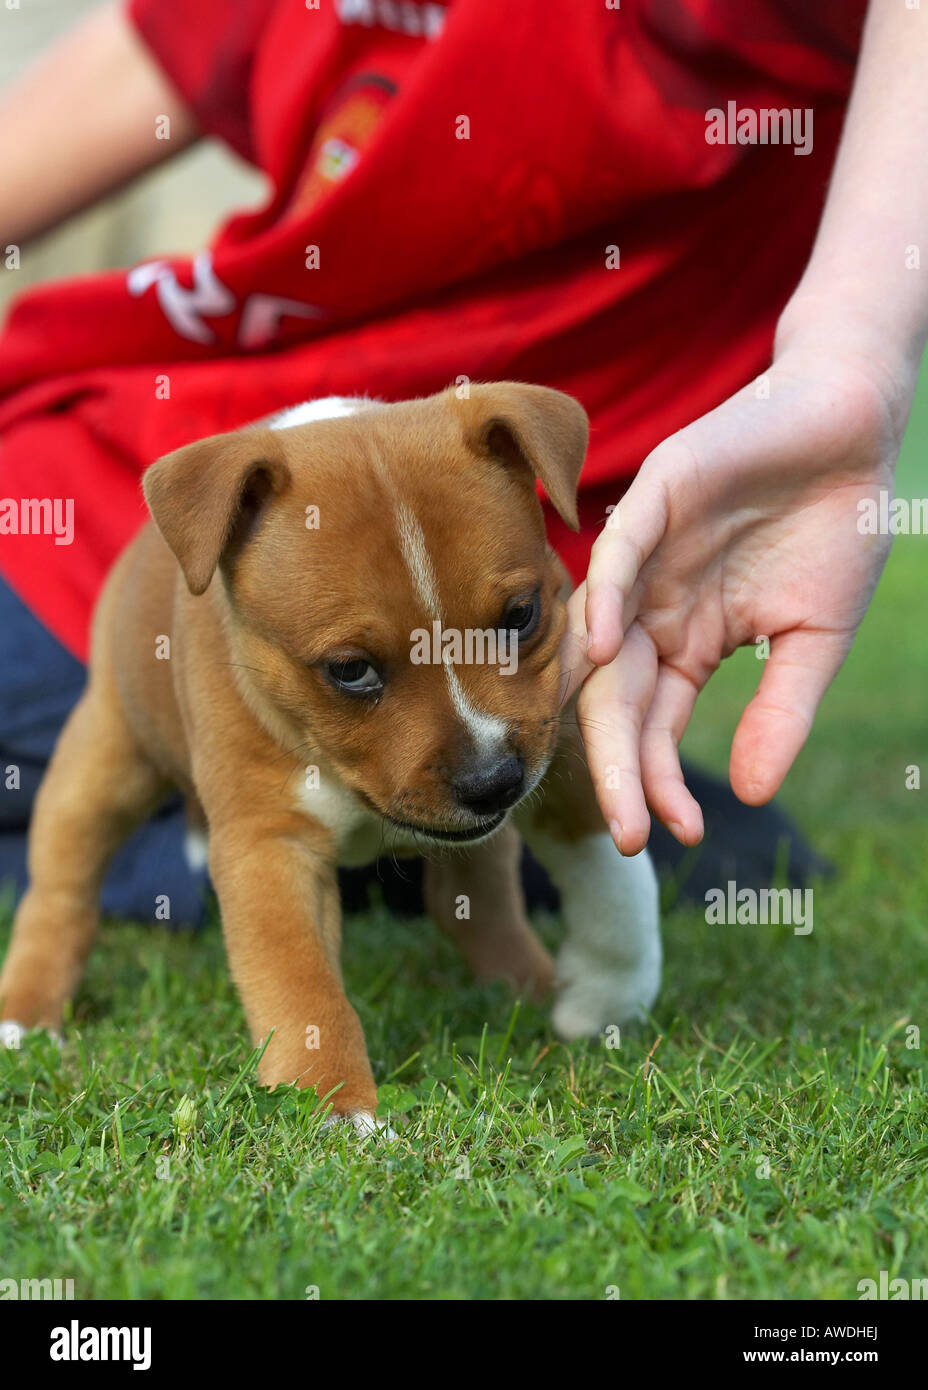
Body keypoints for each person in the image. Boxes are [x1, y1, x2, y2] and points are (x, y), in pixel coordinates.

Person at [0, 0, 920, 920]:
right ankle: (232, 858)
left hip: (451, 606)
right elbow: (146, 56)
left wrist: (850, 355)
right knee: (267, 816)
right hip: (82, 500)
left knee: (682, 843)